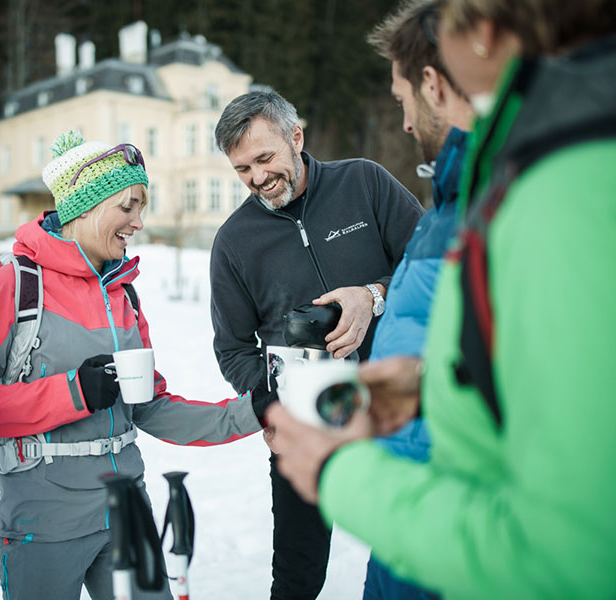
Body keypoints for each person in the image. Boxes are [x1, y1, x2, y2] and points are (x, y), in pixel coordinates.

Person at [268, 0, 616, 596]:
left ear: (480, 31)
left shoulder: (560, 185)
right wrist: (436, 388)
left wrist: (341, 475)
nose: (406, 120)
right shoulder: (531, 166)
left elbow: (571, 557)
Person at [0, 131, 275, 600]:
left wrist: (253, 410)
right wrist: (74, 392)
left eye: (142, 206)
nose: (139, 222)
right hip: (43, 522)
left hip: (127, 513)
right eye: (128, 206)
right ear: (85, 207)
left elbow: (150, 406)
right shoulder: (15, 286)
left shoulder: (122, 293)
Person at [210, 90, 424, 599]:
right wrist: (273, 404)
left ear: (296, 137)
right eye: (242, 169)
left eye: (264, 158)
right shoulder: (234, 243)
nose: (258, 178)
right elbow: (233, 349)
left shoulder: (364, 183)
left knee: (411, 552)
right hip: (307, 424)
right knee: (297, 577)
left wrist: (372, 295)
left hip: (401, 407)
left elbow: (433, 271)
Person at [360, 1, 474, 598]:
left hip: (453, 540)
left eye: (402, 99)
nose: (404, 123)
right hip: (406, 526)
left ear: (431, 85)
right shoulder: (446, 206)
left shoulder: (497, 211)